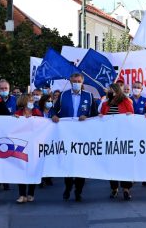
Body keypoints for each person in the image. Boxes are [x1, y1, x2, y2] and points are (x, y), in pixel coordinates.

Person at [52, 73, 97, 202]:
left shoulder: (89, 96)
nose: (76, 83)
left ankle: (78, 191)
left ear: (82, 82)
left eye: (79, 81)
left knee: (81, 164)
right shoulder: (63, 95)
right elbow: (54, 110)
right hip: (67, 135)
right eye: (74, 81)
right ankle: (68, 187)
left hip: (83, 136)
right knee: (68, 162)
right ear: (70, 82)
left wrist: (87, 117)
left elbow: (94, 114)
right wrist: (54, 116)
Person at [100, 83, 134, 200]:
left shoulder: (126, 101)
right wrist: (100, 117)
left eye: (110, 90)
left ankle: (126, 188)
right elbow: (103, 117)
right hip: (110, 138)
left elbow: (132, 117)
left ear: (116, 91)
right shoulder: (105, 104)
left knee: (124, 163)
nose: (109, 92)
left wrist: (130, 115)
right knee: (112, 164)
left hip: (123, 138)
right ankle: (114, 188)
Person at [14, 93, 42, 203]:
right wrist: (15, 119)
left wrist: (34, 119)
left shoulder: (36, 112)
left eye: (32, 100)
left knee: (32, 169)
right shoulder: (17, 113)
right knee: (21, 169)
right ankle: (22, 195)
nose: (32, 102)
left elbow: (43, 125)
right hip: (21, 145)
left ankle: (31, 193)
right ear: (24, 102)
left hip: (34, 145)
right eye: (30, 100)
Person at [38, 94, 55, 187]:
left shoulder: (54, 112)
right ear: (43, 102)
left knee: (49, 157)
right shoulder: (37, 111)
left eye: (51, 101)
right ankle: (40, 178)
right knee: (40, 158)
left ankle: (48, 177)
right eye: (48, 101)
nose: (50, 103)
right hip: (40, 138)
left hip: (51, 137)